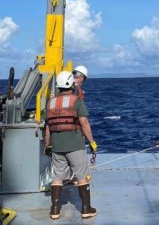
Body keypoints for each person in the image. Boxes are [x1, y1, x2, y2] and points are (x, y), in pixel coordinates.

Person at [44, 70, 97, 220]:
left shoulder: (50, 103)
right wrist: (92, 142)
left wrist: (48, 145)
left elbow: (48, 127)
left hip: (57, 147)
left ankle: (54, 210)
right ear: (70, 84)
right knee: (81, 176)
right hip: (75, 145)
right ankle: (86, 209)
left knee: (57, 176)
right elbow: (84, 123)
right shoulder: (76, 101)